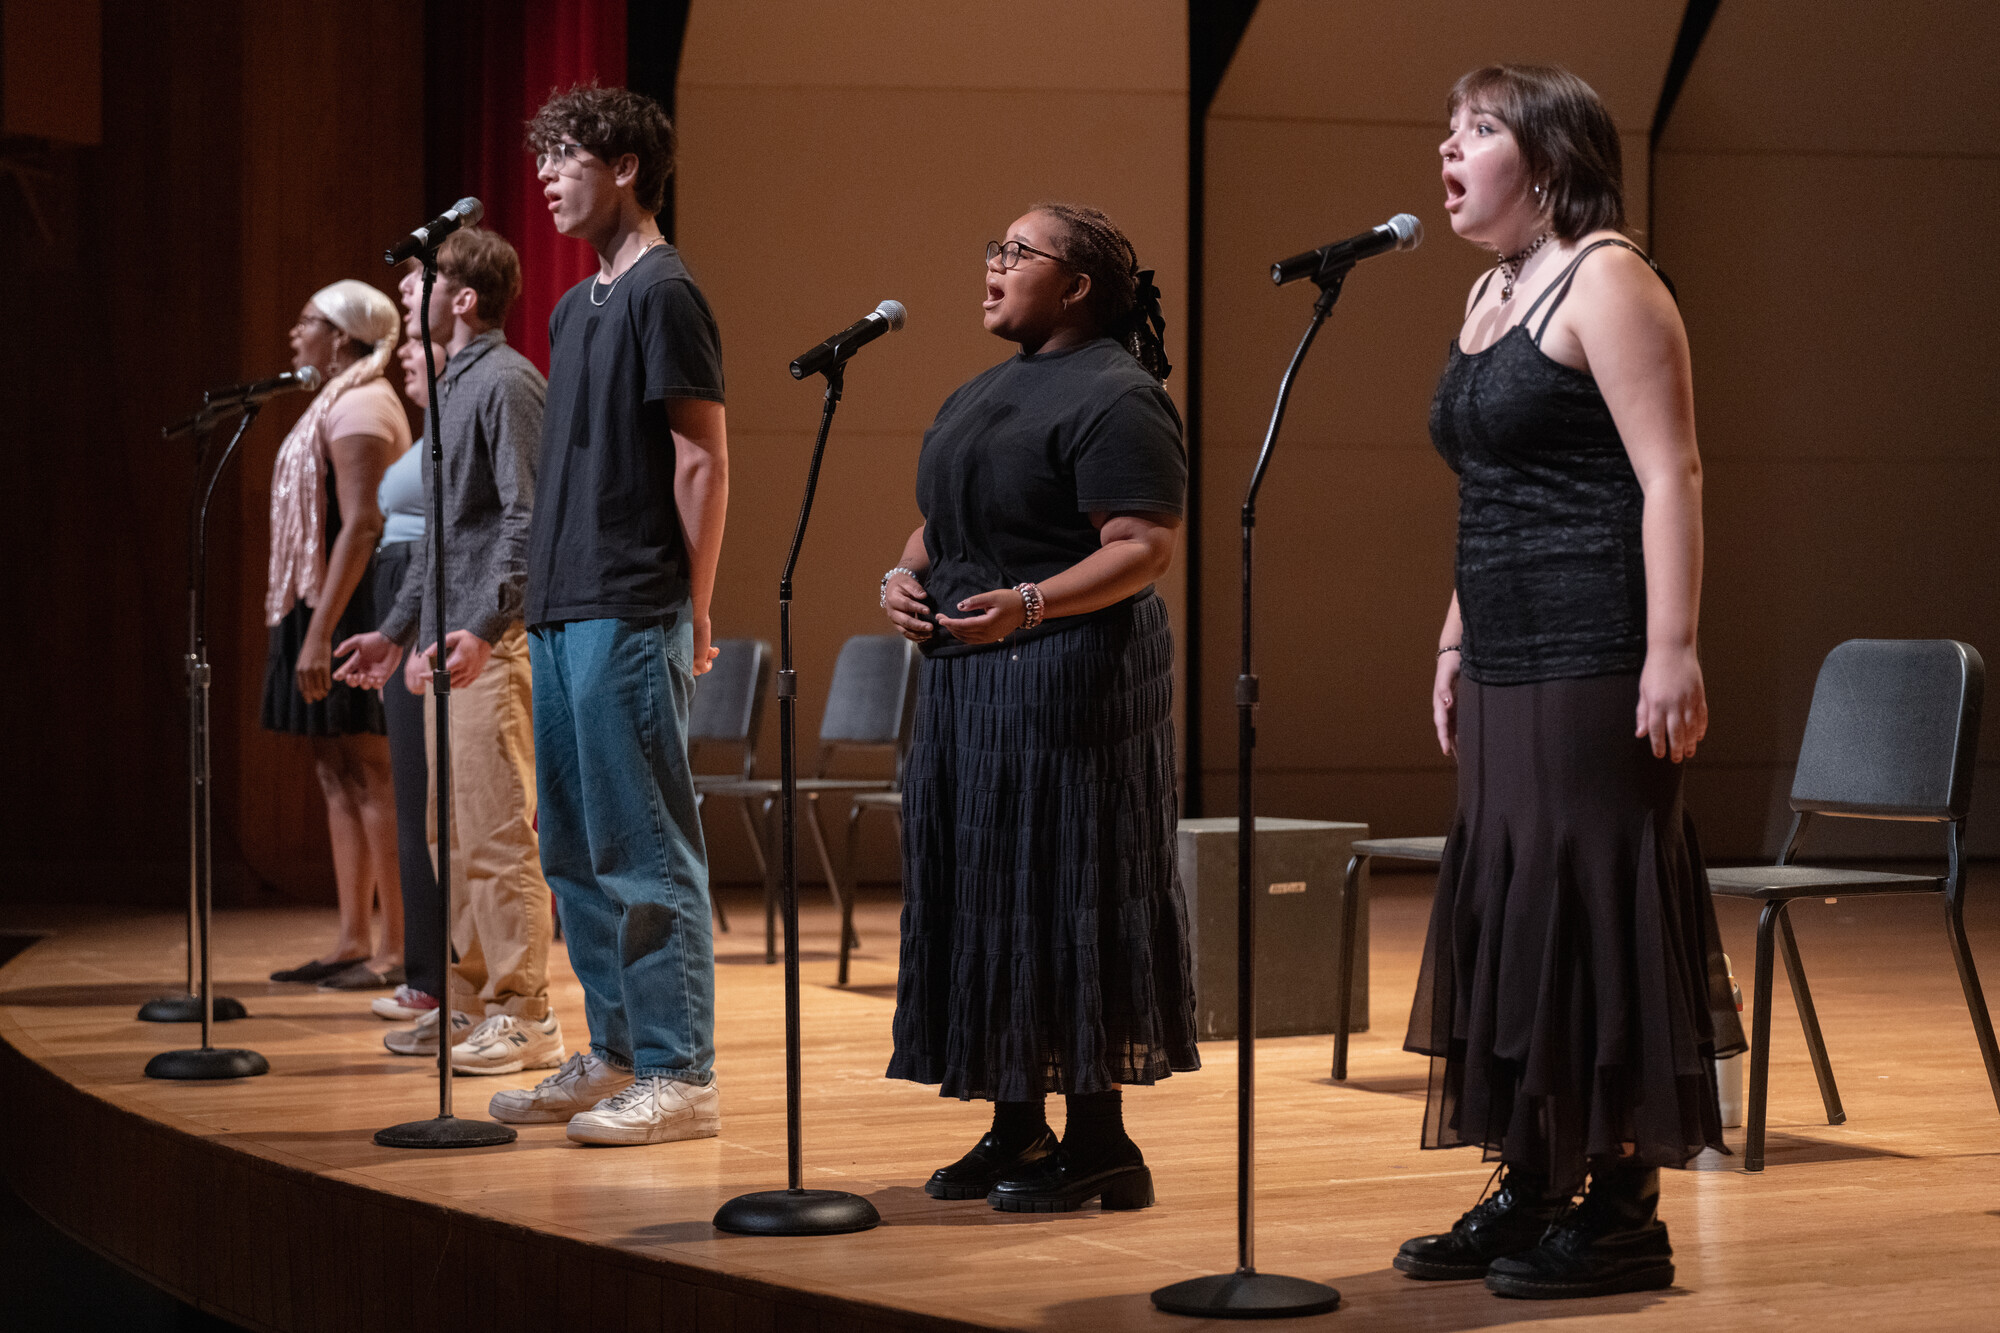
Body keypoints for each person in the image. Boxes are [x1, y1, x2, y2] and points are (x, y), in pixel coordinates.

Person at [1394, 65, 1745, 1300]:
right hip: (1497, 649)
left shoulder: (1610, 277)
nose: (1447, 148)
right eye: (1447, 128)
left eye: (1477, 129)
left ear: (1544, 162)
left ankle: (1622, 1206)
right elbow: (1488, 491)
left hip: (1597, 645)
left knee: (1591, 899)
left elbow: (1670, 475)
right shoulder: (1490, 290)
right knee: (1513, 904)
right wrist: (1450, 639)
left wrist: (1671, 645)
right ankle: (1532, 1181)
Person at [879, 202, 1198, 1213]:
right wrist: (902, 572)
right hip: (972, 675)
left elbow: (1141, 544)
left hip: (1070, 675)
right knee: (985, 889)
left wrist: (1025, 604)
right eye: (992, 248)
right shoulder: (986, 389)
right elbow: (949, 517)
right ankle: (1015, 1124)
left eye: (1017, 252)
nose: (992, 265)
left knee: (1064, 886)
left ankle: (1101, 1141)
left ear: (1076, 286)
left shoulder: (1118, 394)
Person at [484, 83, 729, 1146]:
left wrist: (697, 606)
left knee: (644, 848)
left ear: (624, 166)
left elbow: (700, 457)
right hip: (562, 602)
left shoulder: (665, 292)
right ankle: (617, 1050)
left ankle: (680, 1071)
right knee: (571, 850)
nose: (543, 179)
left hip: (633, 600)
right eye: (540, 162)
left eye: (564, 158)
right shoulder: (572, 305)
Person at [336, 227, 559, 1075]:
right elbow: (441, 538)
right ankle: (469, 1003)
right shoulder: (451, 390)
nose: (402, 299)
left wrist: (487, 625)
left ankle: (525, 1009)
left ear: (463, 298)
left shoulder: (505, 380)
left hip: (489, 647)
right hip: (445, 643)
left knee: (496, 832)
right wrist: (395, 634)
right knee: (448, 836)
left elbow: (523, 520)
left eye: (415, 287)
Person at [262, 279, 409, 991]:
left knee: (372, 769)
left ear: (344, 337)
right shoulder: (331, 399)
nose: (295, 335)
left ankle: (396, 944)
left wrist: (321, 632)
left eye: (306, 322)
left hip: (352, 606)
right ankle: (352, 936)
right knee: (335, 770)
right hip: (316, 596)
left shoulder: (362, 403)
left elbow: (363, 525)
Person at [359, 337, 445, 1020]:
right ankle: (430, 975)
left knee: (428, 802)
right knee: (417, 801)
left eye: (420, 345)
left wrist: (418, 629)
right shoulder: (430, 422)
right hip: (406, 595)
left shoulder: (476, 404)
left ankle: (443, 980)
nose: (405, 357)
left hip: (434, 603)